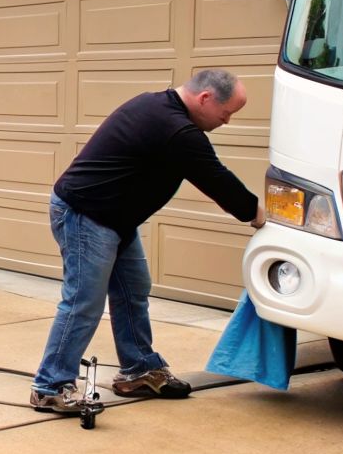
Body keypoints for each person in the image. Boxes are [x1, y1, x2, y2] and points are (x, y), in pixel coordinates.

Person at [31, 69, 265, 412]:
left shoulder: (157, 106)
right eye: (227, 113)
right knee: (83, 302)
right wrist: (260, 216)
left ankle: (139, 369)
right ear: (205, 99)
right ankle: (50, 386)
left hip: (114, 218)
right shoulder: (176, 129)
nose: (226, 121)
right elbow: (219, 182)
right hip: (85, 214)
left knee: (133, 290)